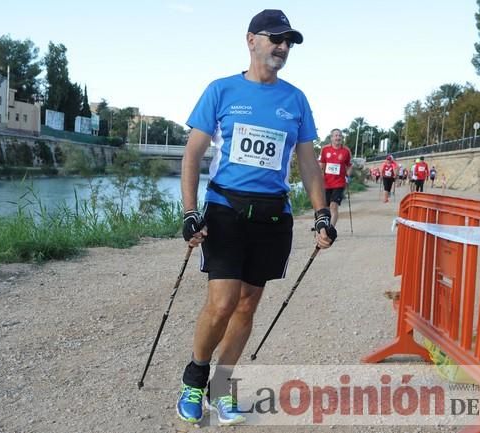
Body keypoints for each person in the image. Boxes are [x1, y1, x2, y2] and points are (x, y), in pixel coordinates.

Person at [178, 9, 337, 425]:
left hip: (272, 216)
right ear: (251, 40)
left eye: (289, 42)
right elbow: (192, 155)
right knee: (222, 302)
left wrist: (321, 215)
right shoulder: (222, 90)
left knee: (247, 306)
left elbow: (307, 163)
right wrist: (190, 211)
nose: (283, 47)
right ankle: (195, 379)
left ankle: (222, 387)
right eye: (275, 38)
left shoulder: (295, 99)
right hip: (226, 209)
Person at [319, 128, 352, 227]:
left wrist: (348, 175)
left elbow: (349, 165)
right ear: (331, 138)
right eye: (336, 135)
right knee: (326, 207)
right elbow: (322, 164)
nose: (338, 137)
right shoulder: (325, 149)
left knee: (334, 206)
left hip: (339, 183)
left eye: (340, 136)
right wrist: (320, 176)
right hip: (326, 183)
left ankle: (330, 229)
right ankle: (326, 224)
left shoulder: (346, 151)